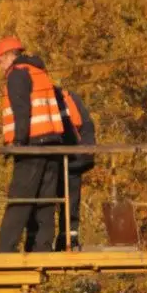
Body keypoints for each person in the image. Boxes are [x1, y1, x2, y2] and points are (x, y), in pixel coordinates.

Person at [0, 36, 63, 253]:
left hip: (32, 144)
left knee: (20, 197)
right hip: (52, 143)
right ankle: (42, 247)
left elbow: (22, 111)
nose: (0, 67)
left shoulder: (18, 74)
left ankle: (5, 249)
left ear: (7, 56)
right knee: (45, 199)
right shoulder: (39, 72)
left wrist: (18, 142)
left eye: (0, 61)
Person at [53, 85, 95, 252]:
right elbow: (87, 126)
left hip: (67, 158)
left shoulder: (55, 100)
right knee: (71, 200)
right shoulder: (69, 97)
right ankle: (69, 239)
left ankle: (62, 239)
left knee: (50, 200)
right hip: (77, 156)